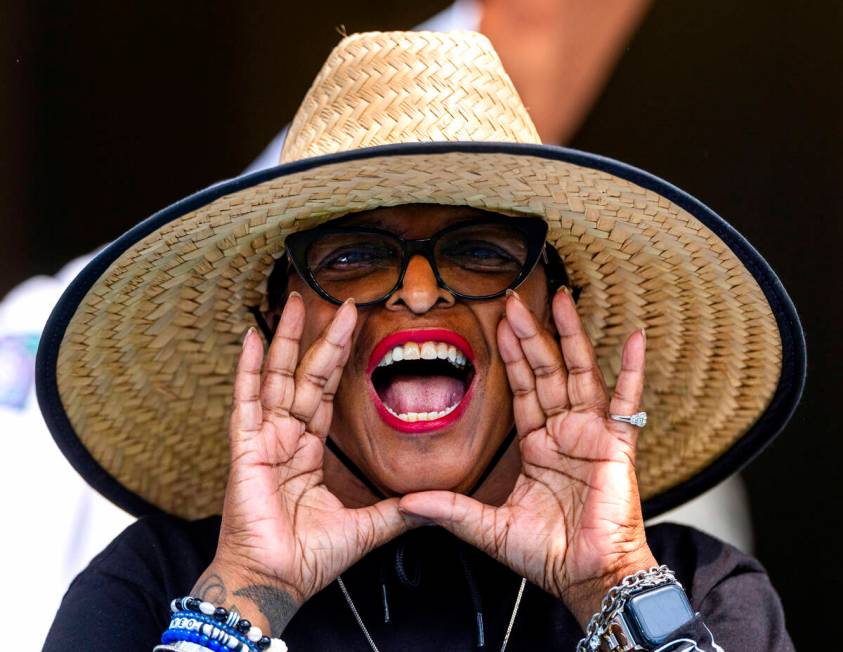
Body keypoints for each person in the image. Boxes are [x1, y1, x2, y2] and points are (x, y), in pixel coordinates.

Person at [38, 31, 803, 651]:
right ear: (277, 333)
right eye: (352, 258)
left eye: (481, 252)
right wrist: (244, 596)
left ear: (547, 317)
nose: (415, 292)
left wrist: (609, 585)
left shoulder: (692, 586)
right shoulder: (155, 584)